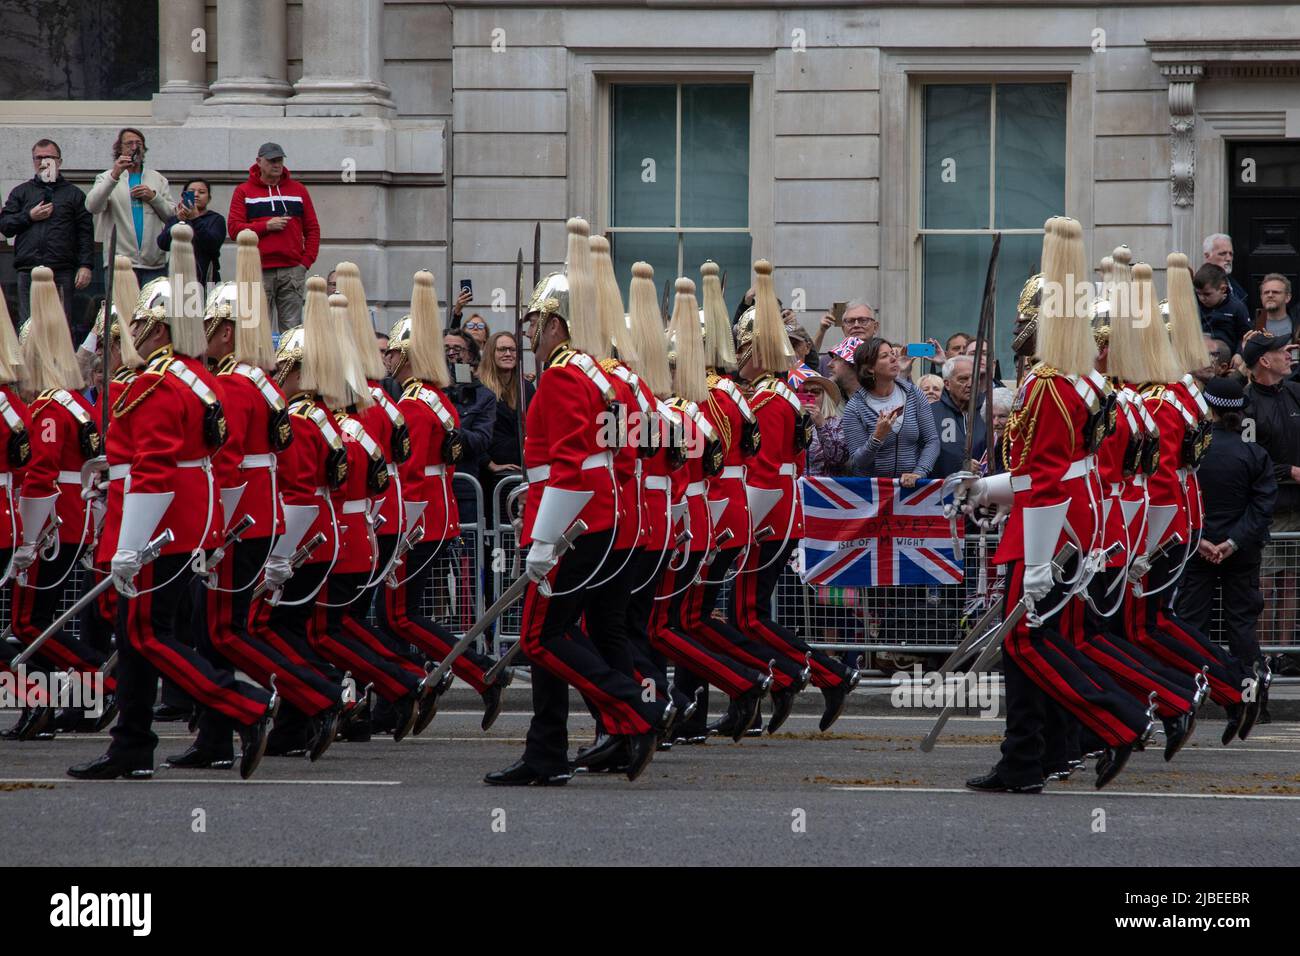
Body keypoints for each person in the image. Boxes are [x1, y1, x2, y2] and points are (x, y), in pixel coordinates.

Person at [67, 225, 278, 781]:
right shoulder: (195, 379)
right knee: (138, 641)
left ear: (156, 327)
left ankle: (245, 708)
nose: (129, 331)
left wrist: (130, 547)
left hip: (158, 527)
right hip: (187, 526)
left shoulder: (152, 383)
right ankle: (132, 744)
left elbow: (155, 469)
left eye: (136, 322)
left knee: (144, 636)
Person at [960, 217, 1158, 793]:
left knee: (1025, 641)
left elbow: (1046, 478)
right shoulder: (1080, 382)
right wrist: (987, 490)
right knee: (1039, 645)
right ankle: (1032, 754)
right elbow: (1047, 471)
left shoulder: (1050, 383)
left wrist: (1041, 560)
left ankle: (1117, 718)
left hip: (1050, 527)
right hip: (1072, 517)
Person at [485, 217, 677, 786]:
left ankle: (632, 713)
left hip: (572, 524)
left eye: (536, 323)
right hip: (599, 520)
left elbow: (571, 467)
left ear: (555, 323)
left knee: (540, 638)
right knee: (567, 641)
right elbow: (625, 452)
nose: (531, 334)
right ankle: (547, 751)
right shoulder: (604, 376)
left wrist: (544, 539)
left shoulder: (566, 377)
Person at [383, 271, 510, 729]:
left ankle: (438, 679)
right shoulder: (434, 398)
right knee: (404, 615)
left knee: (399, 617)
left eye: (396, 354)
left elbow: (411, 471)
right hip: (438, 516)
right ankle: (435, 680)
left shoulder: (416, 404)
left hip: (418, 518)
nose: (392, 361)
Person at [1175, 376, 1275, 685]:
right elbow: (1261, 507)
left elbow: (1179, 499)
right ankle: (1252, 696)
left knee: (1191, 624)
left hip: (1197, 547)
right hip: (1242, 549)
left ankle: (1189, 694)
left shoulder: (1190, 451)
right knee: (1242, 626)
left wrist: (1200, 539)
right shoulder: (1254, 453)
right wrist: (1232, 542)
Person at [227, 143, 320, 333]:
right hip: (257, 269)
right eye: (271, 161)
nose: (277, 164)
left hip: (292, 270)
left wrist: (305, 263)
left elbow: (312, 229)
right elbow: (234, 229)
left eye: (279, 160)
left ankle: (289, 363)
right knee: (257, 330)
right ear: (259, 162)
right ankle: (261, 364)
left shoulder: (298, 190)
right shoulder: (244, 191)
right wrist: (265, 226)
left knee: (292, 330)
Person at [0, 139, 93, 325]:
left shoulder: (74, 194)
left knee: (60, 328)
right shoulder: (21, 192)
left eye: (49, 158)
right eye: (39, 158)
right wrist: (29, 216)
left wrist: (86, 265)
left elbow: (85, 233)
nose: (43, 162)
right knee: (28, 326)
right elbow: (5, 226)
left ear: (59, 161)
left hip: (61, 270)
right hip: (28, 270)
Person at [841, 337, 938, 483]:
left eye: (893, 353)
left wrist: (919, 473)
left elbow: (932, 441)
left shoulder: (914, 394)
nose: (893, 359)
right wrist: (877, 437)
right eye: (885, 356)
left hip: (911, 489)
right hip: (873, 491)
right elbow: (857, 463)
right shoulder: (855, 407)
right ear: (869, 368)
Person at [85, 128, 174, 285]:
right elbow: (92, 206)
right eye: (129, 144)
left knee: (152, 310)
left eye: (138, 143)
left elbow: (171, 217)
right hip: (119, 264)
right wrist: (114, 175)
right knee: (120, 310)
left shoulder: (157, 179)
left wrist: (154, 197)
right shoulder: (106, 177)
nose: (134, 148)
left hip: (154, 264)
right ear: (120, 148)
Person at [443, 329, 497, 527]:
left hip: (464, 486)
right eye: (446, 348)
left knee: (467, 551)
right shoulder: (429, 391)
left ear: (471, 355)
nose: (451, 354)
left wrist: (449, 427)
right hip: (433, 486)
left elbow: (481, 441)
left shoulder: (484, 396)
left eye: (457, 349)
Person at [478, 330, 534, 506]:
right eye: (502, 349)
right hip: (490, 477)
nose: (508, 354)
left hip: (522, 472)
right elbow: (469, 431)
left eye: (512, 349)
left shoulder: (526, 388)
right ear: (491, 353)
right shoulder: (479, 388)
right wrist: (489, 463)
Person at [156, 179, 225, 284]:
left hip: (206, 278)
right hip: (177, 275)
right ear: (183, 196)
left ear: (209, 198)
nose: (196, 195)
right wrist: (178, 221)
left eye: (202, 192)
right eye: (192, 192)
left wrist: (195, 218)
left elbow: (212, 245)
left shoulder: (216, 219)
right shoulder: (176, 218)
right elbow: (163, 244)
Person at [930, 354, 986, 479]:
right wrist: (961, 466)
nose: (971, 384)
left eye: (974, 378)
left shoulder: (990, 410)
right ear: (947, 384)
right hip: (944, 490)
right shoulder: (931, 413)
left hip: (986, 488)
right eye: (963, 379)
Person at [1193, 263, 1250, 354]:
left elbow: (1246, 335)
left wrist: (1239, 354)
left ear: (1223, 289)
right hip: (1197, 351)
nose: (1202, 298)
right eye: (1198, 293)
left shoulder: (1236, 307)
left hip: (1227, 354)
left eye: (1207, 294)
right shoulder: (1193, 304)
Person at [812, 300, 878, 375]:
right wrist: (822, 330)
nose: (856, 325)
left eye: (863, 320)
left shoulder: (885, 358)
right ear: (843, 329)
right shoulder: (827, 362)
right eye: (850, 321)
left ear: (875, 327)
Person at [1202, 233, 1247, 305]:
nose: (1229, 259)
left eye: (1231, 254)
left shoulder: (1237, 289)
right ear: (1207, 256)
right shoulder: (1198, 287)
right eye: (1223, 254)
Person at [1257, 274, 1297, 342]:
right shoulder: (1251, 327)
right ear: (1261, 297)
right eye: (1266, 292)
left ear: (1287, 297)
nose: (1270, 295)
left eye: (1276, 292)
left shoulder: (1297, 326)